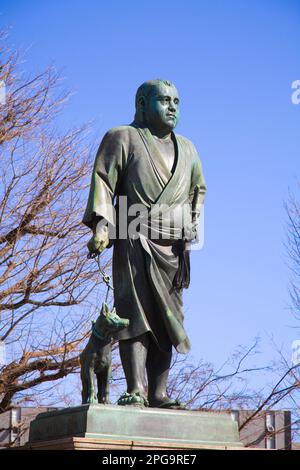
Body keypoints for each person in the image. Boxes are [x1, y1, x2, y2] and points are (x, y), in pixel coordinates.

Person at [82, 79, 206, 408]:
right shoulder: (122, 136)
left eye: (177, 101)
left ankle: (159, 392)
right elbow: (104, 181)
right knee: (134, 315)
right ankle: (136, 388)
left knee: (169, 320)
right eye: (164, 100)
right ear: (141, 103)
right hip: (134, 235)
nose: (172, 107)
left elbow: (198, 191)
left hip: (174, 245)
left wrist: (192, 225)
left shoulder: (189, 149)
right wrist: (102, 228)